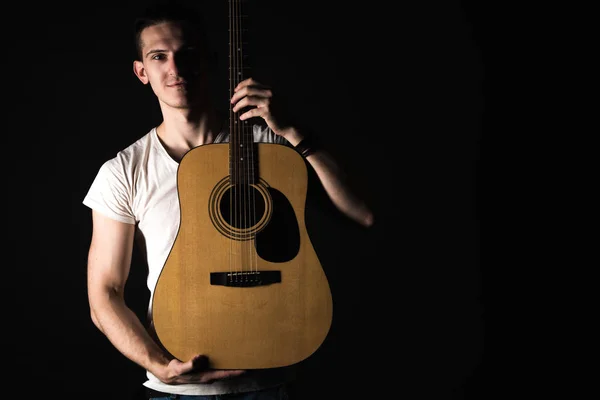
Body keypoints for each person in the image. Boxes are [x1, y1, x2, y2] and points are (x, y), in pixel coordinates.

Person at [83, 1, 374, 399]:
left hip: (272, 378)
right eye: (159, 57)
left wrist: (292, 130)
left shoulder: (271, 145)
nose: (176, 68)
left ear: (211, 60)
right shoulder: (124, 171)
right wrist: (157, 364)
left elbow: (362, 214)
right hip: (178, 389)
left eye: (188, 54)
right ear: (141, 72)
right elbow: (105, 293)